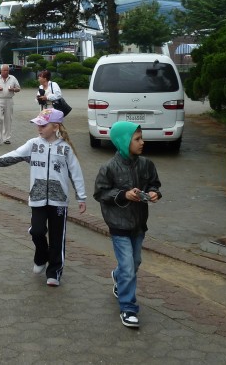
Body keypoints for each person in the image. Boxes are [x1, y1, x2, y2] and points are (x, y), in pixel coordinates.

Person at [0, 108, 86, 286]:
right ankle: (41, 255)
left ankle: (54, 271)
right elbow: (15, 155)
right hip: (37, 198)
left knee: (57, 237)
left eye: (43, 125)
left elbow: (76, 174)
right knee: (37, 231)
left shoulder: (65, 149)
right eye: (37, 125)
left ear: (55, 126)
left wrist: (81, 197)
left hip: (59, 201)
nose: (39, 128)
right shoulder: (33, 145)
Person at [93, 121, 162, 329]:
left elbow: (154, 183)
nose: (142, 142)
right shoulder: (108, 168)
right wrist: (123, 194)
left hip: (139, 224)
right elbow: (100, 193)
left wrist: (153, 193)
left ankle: (118, 276)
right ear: (124, 142)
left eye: (142, 138)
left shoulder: (146, 164)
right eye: (137, 139)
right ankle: (128, 308)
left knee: (135, 262)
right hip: (119, 225)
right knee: (128, 267)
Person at [0, 64, 21, 146]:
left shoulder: (13, 78)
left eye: (7, 70)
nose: (6, 72)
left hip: (9, 100)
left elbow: (18, 88)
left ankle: (6, 138)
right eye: (4, 70)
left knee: (8, 120)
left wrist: (13, 89)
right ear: (1, 71)